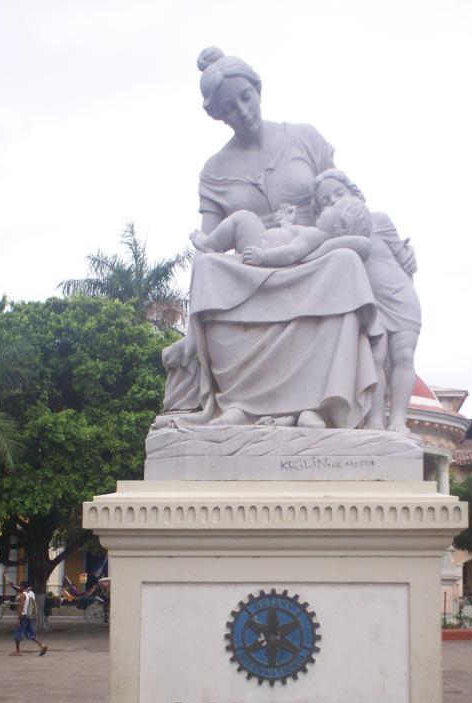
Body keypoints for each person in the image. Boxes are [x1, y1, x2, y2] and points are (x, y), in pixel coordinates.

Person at [161, 47, 384, 430]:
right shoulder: (213, 171)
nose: (243, 111)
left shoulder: (304, 138)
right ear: (217, 115)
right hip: (254, 264)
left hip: (312, 256)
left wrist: (387, 242)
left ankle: (319, 406)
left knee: (345, 263)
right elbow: (211, 241)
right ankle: (238, 403)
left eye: (245, 97)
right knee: (208, 269)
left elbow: (347, 199)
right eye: (230, 107)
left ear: (258, 89)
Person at [313, 169, 422, 432]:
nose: (334, 201)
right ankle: (374, 419)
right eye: (325, 200)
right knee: (375, 357)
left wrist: (411, 257)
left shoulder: (379, 220)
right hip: (369, 302)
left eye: (339, 193)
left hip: (400, 297)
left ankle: (397, 419)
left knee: (403, 355)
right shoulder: (331, 235)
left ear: (353, 191)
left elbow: (404, 259)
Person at [190, 199, 372, 266]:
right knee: (245, 219)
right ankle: (213, 246)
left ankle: (211, 245)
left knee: (243, 218)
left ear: (341, 225)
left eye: (332, 207)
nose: (325, 207)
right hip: (260, 243)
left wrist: (263, 257)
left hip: (259, 247)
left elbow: (292, 253)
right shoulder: (313, 234)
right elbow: (291, 235)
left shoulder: (315, 236)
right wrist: (287, 222)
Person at [10, 582, 47, 657]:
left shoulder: (23, 595)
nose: (19, 588)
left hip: (23, 616)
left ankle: (18, 651)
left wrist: (18, 619)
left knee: (17, 633)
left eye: (20, 586)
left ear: (22, 587)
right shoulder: (31, 593)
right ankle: (41, 645)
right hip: (30, 616)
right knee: (30, 632)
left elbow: (21, 607)